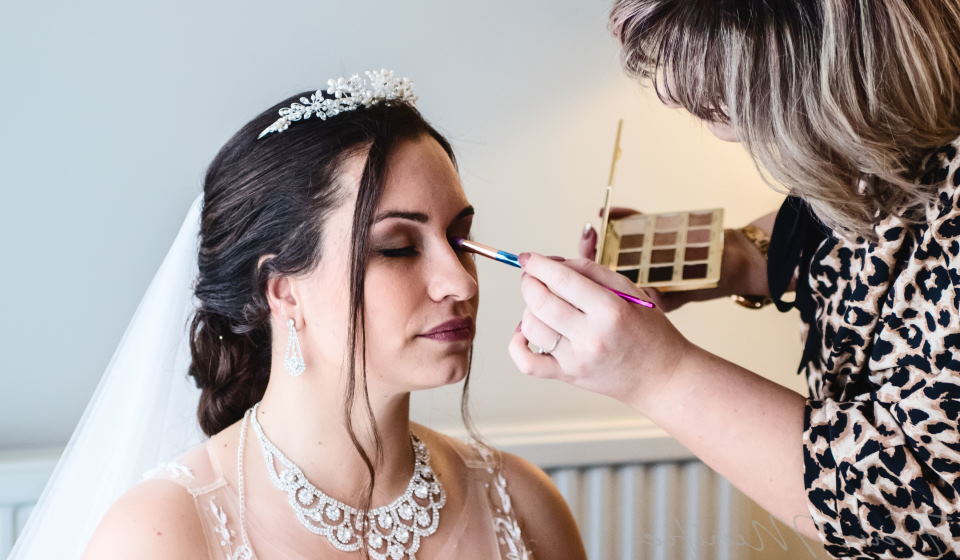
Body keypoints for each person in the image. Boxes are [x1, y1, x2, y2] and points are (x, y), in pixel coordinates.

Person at [13, 70, 585, 560]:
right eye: (397, 248)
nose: (460, 280)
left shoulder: (523, 503)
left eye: (461, 240)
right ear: (282, 291)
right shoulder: (161, 535)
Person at [509, 2, 960, 558]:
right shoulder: (901, 147)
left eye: (738, 114)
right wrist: (735, 257)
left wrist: (657, 373)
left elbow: (913, 506)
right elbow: (871, 230)